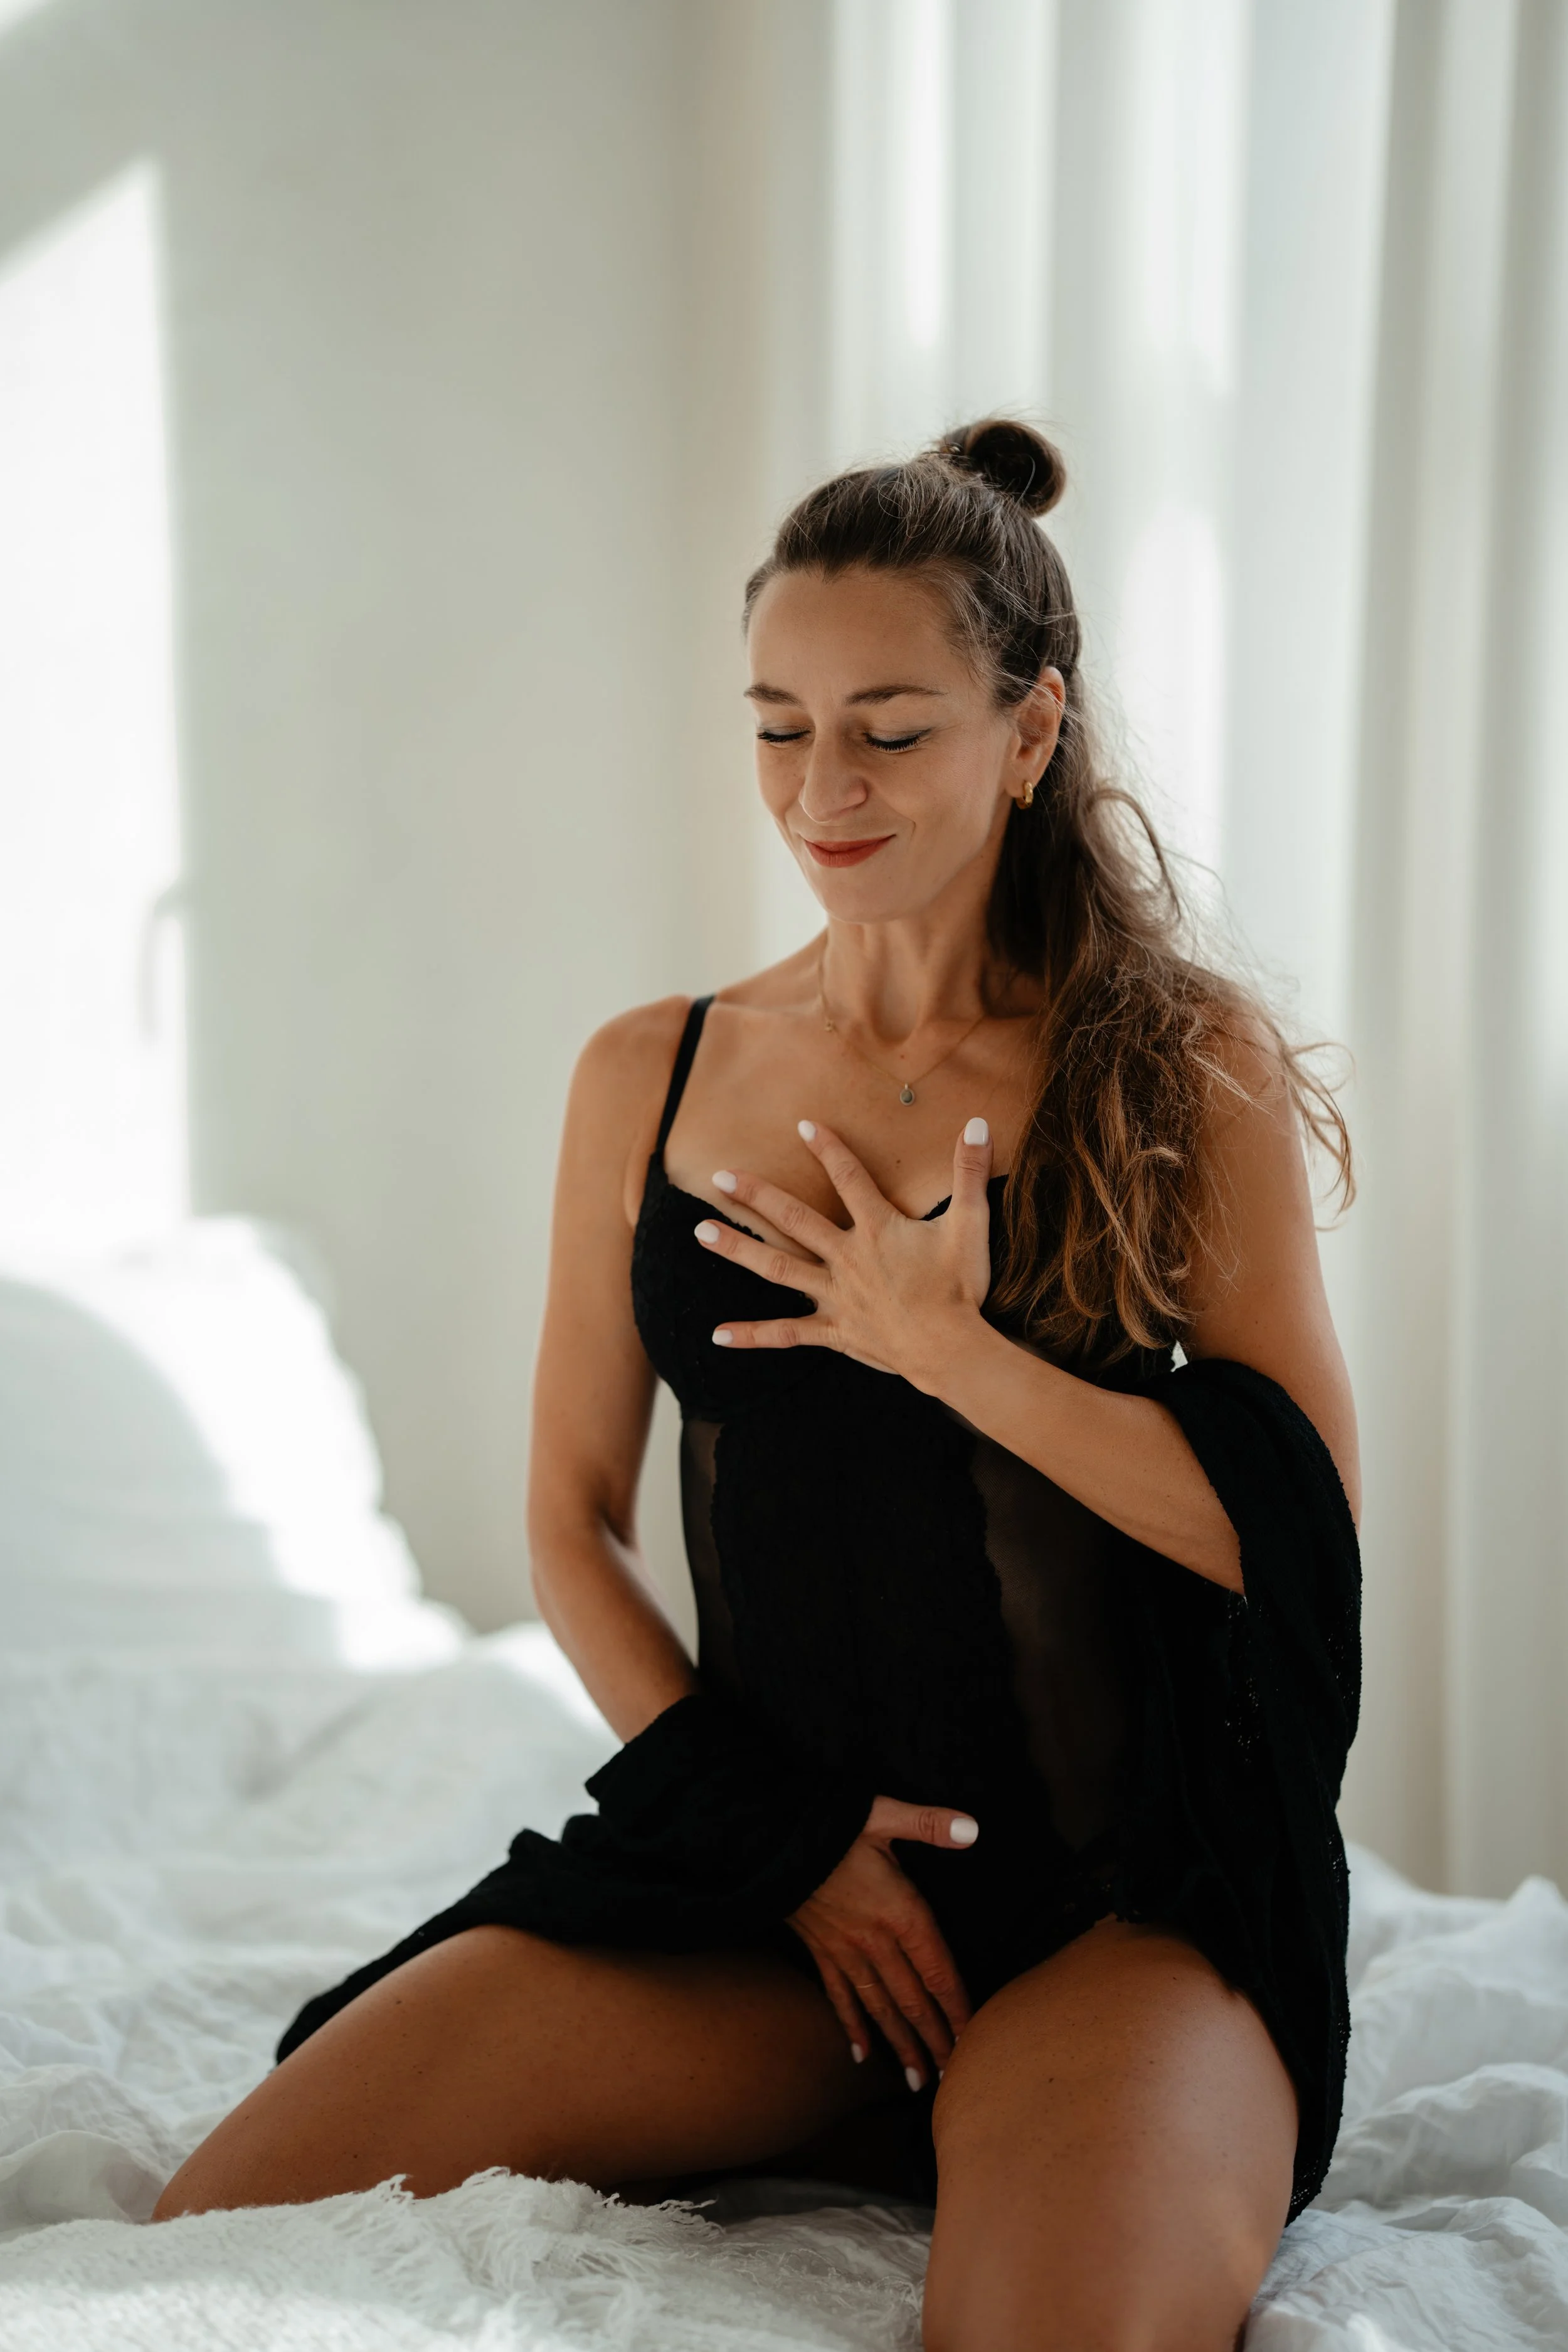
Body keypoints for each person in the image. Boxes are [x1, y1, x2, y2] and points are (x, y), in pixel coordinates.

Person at [155, 419, 1363, 2352]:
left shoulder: (1173, 1059)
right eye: (779, 725)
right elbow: (571, 1523)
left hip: (1118, 1898)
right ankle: (859, 2082)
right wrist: (786, 1847)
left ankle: (1012, 2100)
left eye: (888, 728)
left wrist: (947, 1351)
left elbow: (1291, 1537)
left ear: (1030, 732)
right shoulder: (647, 1069)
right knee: (206, 2226)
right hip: (772, 1885)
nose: (821, 786)